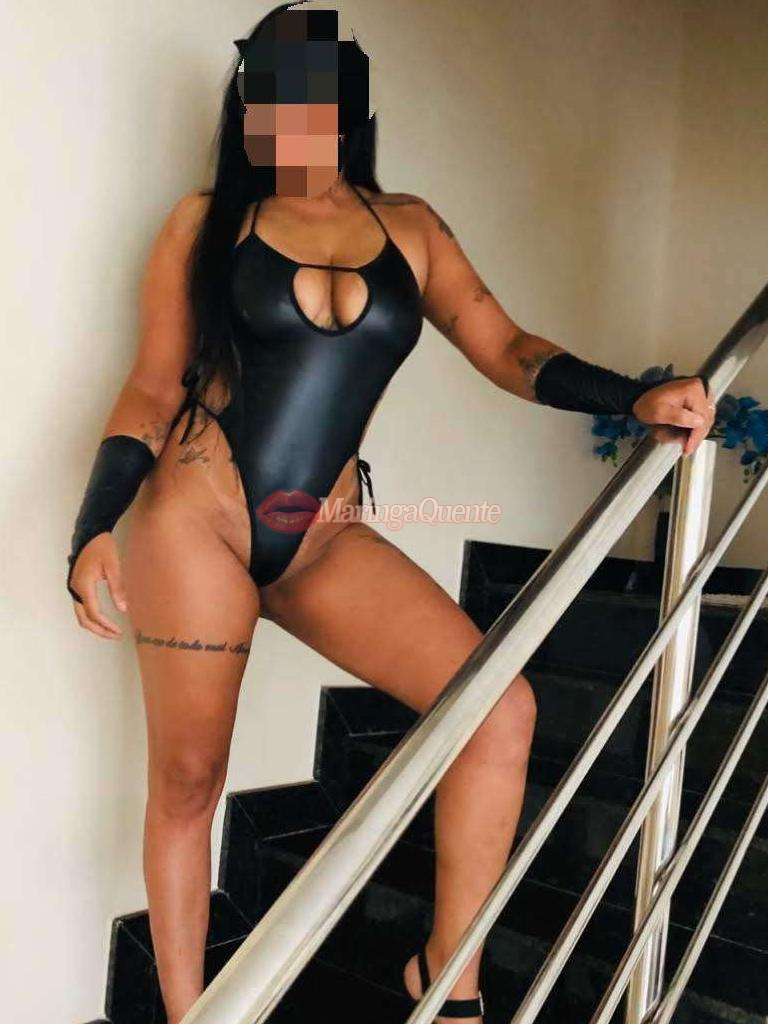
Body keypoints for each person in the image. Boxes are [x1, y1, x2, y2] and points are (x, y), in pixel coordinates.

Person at [65, 4, 715, 1022]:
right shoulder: (206, 222)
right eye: (268, 100)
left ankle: (449, 983)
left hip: (321, 539)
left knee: (498, 710)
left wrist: (632, 397)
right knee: (189, 781)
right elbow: (152, 389)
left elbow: (508, 349)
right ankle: (191, 1012)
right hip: (197, 522)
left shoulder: (409, 226)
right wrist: (94, 524)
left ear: (346, 107)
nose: (288, 123)